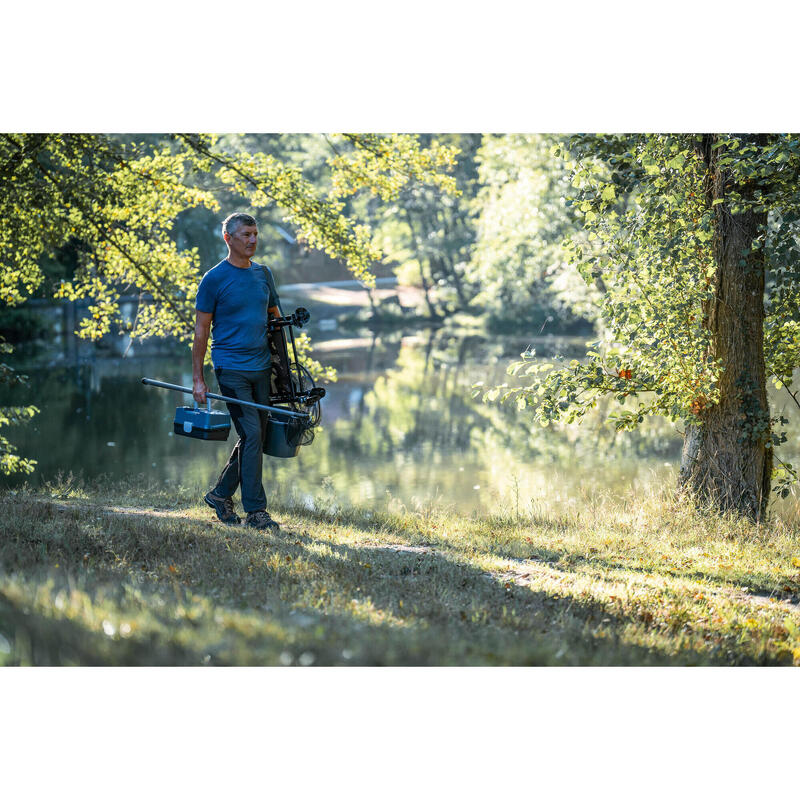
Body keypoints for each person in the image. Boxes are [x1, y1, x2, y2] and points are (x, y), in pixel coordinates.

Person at [192, 212, 282, 531]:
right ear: (228, 238)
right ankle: (256, 512)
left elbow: (276, 321)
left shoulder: (263, 275)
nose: (253, 240)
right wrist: (198, 379)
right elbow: (201, 331)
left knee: (254, 436)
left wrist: (283, 369)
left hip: (262, 368)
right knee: (252, 434)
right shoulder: (214, 278)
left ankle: (220, 495)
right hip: (231, 369)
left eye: (255, 233)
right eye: (246, 234)